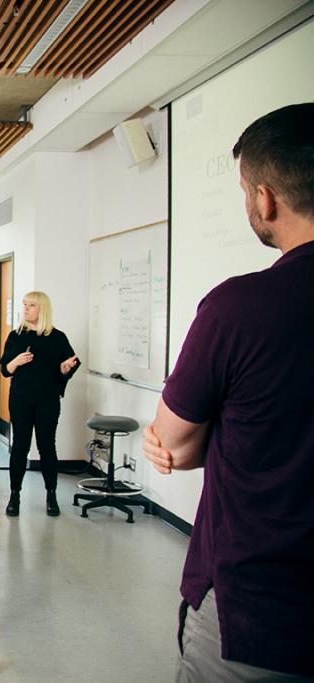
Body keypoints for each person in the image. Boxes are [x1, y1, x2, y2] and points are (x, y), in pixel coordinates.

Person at [142, 104, 314, 681]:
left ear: (265, 198)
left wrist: (202, 429)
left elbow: (175, 445)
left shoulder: (239, 308)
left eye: (244, 190)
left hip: (260, 613)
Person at [0, 291, 79, 517]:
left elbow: (68, 366)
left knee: (46, 447)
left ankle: (51, 495)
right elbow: (5, 370)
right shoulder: (16, 336)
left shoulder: (57, 337)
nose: (26, 309)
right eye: (24, 305)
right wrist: (15, 361)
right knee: (20, 446)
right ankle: (15, 495)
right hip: (20, 399)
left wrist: (65, 370)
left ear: (41, 309)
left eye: (31, 305)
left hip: (48, 399)